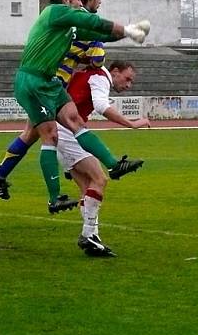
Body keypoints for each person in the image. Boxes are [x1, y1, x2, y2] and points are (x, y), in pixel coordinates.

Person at [0, 0, 149, 213]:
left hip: (50, 82)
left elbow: (95, 32)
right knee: (49, 135)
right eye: (78, 1)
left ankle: (114, 165)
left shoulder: (68, 27)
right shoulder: (55, 11)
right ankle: (53, 198)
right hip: (34, 81)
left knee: (73, 121)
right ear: (66, 1)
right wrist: (127, 29)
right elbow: (91, 23)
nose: (81, 6)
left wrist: (129, 33)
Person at [58, 61, 150, 257]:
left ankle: (92, 238)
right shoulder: (100, 76)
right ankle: (88, 234)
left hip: (59, 132)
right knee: (100, 180)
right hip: (68, 132)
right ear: (115, 71)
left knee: (87, 187)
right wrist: (131, 124)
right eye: (127, 79)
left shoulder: (87, 74)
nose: (128, 85)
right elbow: (101, 106)